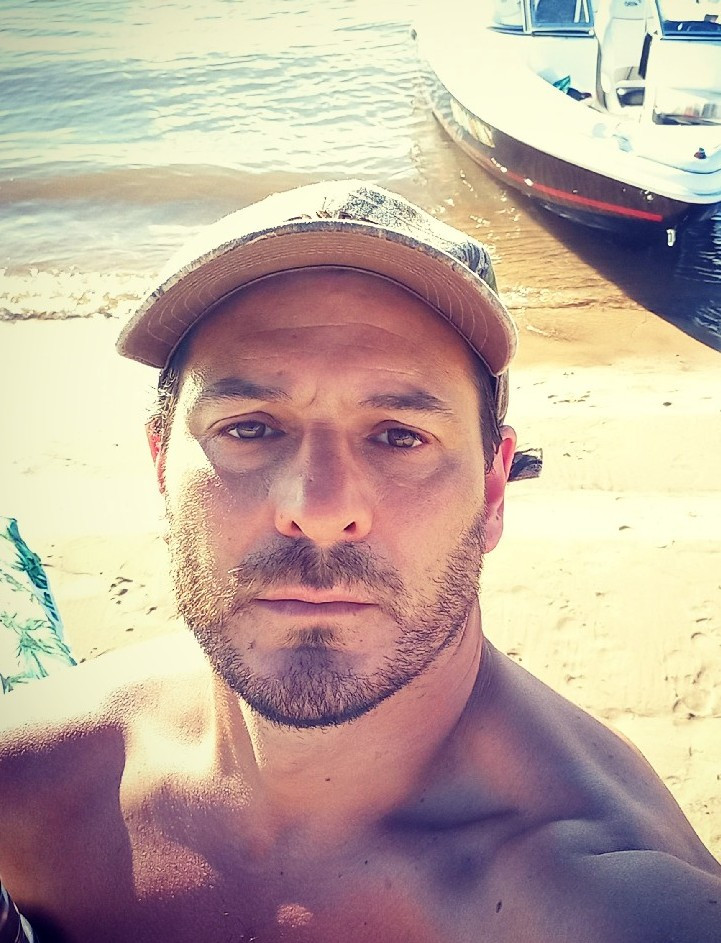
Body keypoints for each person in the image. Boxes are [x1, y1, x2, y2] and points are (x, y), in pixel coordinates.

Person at [0, 180, 719, 942]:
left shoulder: (613, 903)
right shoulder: (33, 781)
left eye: (398, 435)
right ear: (158, 465)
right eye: (249, 427)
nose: (317, 506)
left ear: (491, 491)